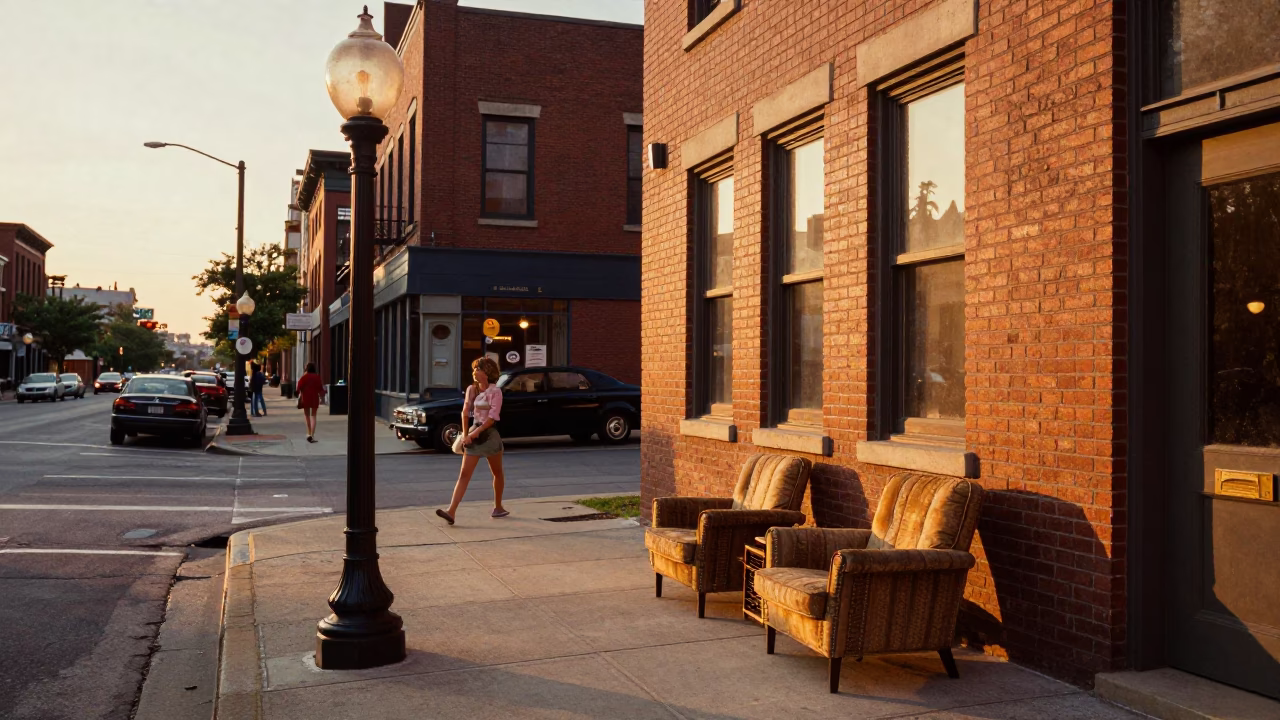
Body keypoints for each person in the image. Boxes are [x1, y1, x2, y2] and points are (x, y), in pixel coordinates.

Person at [436, 357, 508, 524]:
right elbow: (465, 410)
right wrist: (465, 432)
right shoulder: (471, 389)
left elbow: (492, 418)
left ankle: (498, 507)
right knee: (464, 474)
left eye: (479, 369)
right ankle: (451, 512)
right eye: (474, 369)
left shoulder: (495, 392)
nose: (475, 372)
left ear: (487, 372)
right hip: (472, 433)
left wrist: (474, 434)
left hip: (489, 434)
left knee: (497, 472)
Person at [295, 362, 326, 443]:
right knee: (314, 416)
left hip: (305, 398)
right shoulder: (317, 377)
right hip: (314, 398)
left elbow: (299, 386)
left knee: (307, 416)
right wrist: (323, 396)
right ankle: (312, 435)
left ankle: (308, 433)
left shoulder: (304, 377)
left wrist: (297, 393)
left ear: (307, 369)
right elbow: (320, 388)